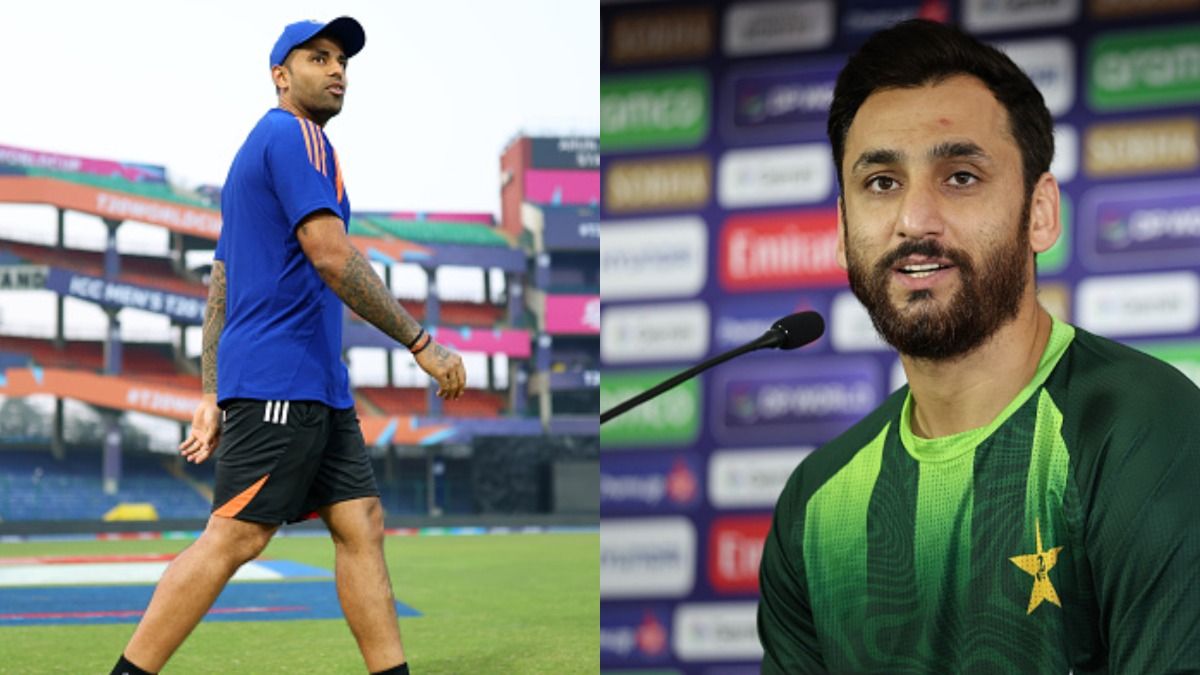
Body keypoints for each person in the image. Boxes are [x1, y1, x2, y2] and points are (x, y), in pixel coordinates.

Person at [757, 19, 1200, 674]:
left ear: (1041, 212)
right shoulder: (816, 500)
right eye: (881, 182)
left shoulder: (1143, 430)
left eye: (960, 176)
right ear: (844, 226)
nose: (914, 220)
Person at [111, 17, 466, 675]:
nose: (337, 70)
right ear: (281, 75)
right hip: (284, 379)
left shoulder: (254, 152)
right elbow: (331, 255)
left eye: (343, 61)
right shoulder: (295, 135)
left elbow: (220, 284)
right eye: (318, 57)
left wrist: (212, 393)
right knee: (236, 536)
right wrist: (421, 342)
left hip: (312, 383)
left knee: (361, 522)